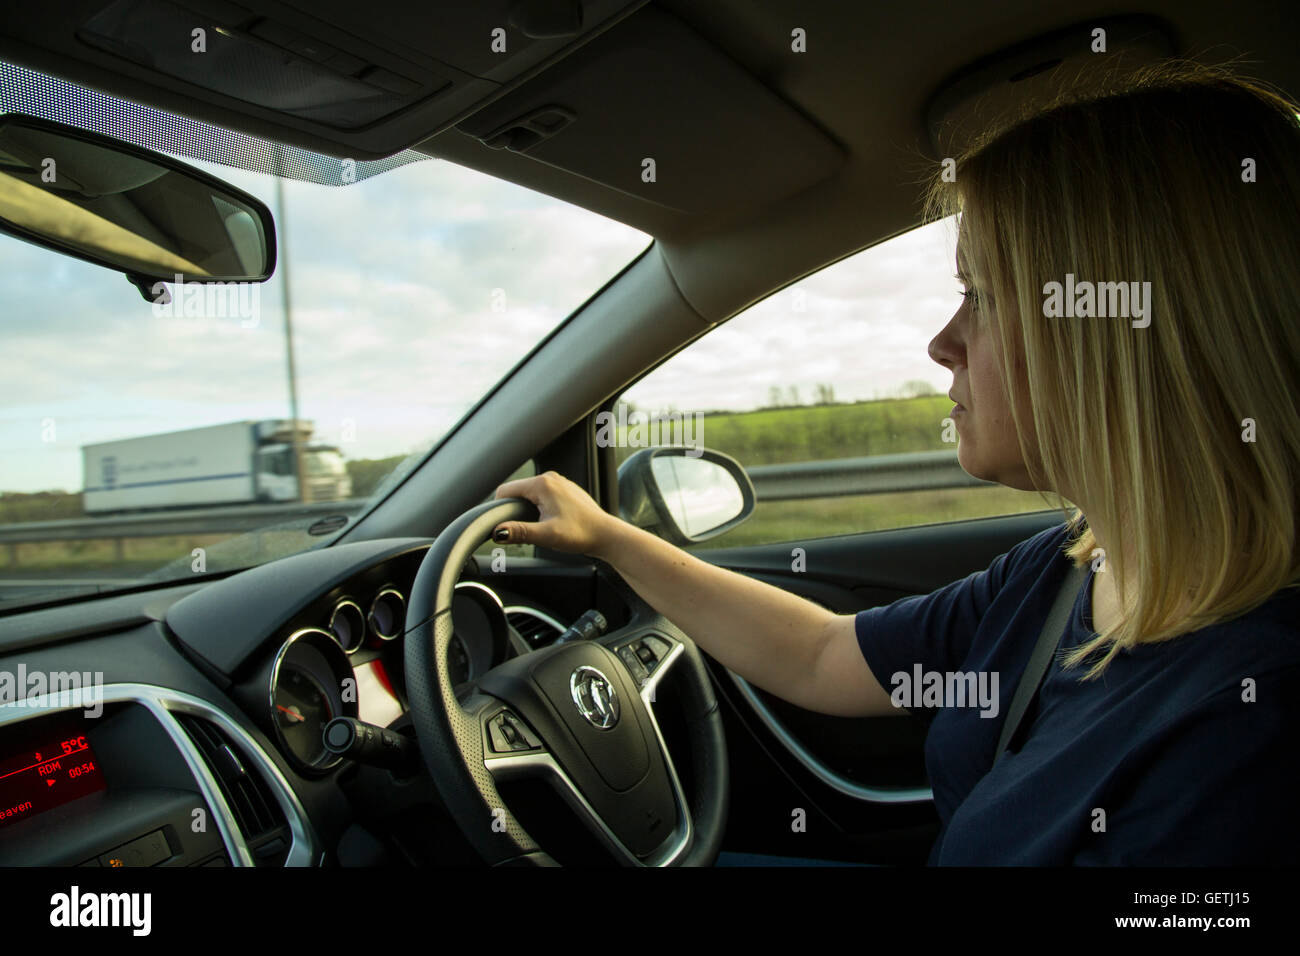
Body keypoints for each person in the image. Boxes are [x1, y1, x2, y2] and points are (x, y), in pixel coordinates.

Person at [491, 62, 1300, 865]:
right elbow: (822, 655)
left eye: (979, 295)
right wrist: (608, 538)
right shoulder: (1069, 572)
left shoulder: (1247, 728)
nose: (942, 343)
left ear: (1120, 331)